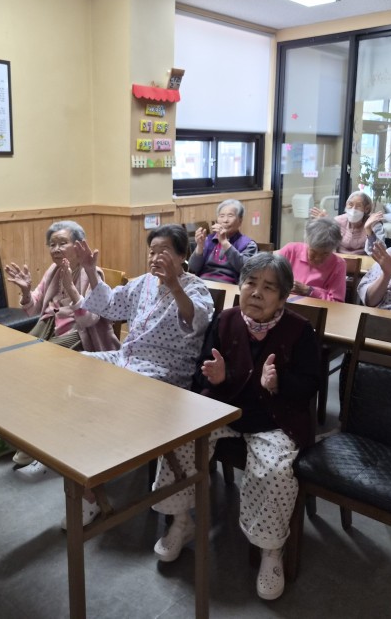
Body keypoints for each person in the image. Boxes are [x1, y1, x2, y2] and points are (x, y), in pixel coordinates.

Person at [150, 253, 321, 601]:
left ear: (283, 298)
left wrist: (280, 382)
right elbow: (203, 369)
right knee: (179, 441)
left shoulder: (300, 330)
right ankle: (182, 521)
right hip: (226, 408)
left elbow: (310, 385)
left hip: (274, 417)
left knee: (274, 469)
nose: (256, 293)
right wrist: (216, 377)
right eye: (250, 283)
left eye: (268, 287)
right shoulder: (226, 319)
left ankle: (270, 550)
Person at [66, 224, 215, 526]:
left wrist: (174, 285)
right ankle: (76, 464)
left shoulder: (195, 287)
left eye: (164, 251)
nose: (156, 257)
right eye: (152, 251)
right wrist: (90, 270)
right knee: (76, 366)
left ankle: (90, 486)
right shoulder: (142, 283)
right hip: (126, 360)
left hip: (164, 373)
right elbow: (109, 305)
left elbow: (195, 320)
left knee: (103, 396)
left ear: (182, 255)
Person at [0, 220, 120, 476]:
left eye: (62, 243)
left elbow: (89, 320)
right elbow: (34, 307)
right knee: (12, 359)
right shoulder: (53, 270)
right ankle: (11, 433)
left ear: (79, 246)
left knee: (37, 368)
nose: (56, 249)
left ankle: (32, 438)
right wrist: (25, 291)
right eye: (52, 244)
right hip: (50, 327)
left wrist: (72, 290)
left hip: (80, 335)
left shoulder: (92, 273)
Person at [188, 199, 259, 282]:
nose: (225, 220)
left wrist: (224, 242)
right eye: (221, 216)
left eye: (230, 216)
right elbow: (193, 268)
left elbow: (246, 270)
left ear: (240, 220)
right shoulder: (208, 240)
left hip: (230, 285)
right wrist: (200, 246)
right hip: (203, 283)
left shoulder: (249, 244)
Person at [277, 217, 347, 302]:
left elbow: (336, 301)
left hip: (316, 308)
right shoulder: (290, 251)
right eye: (313, 251)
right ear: (307, 242)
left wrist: (309, 291)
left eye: (325, 254)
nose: (318, 258)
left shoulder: (338, 264)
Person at [310, 190, 385, 255]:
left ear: (366, 209)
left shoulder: (373, 223)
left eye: (358, 206)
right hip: (340, 260)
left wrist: (368, 230)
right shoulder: (338, 221)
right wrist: (325, 225)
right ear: (346, 205)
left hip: (365, 263)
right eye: (350, 204)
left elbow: (380, 253)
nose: (353, 209)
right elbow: (324, 247)